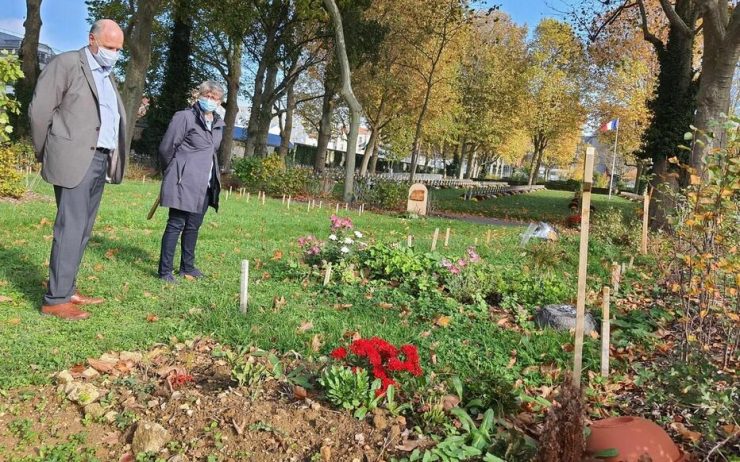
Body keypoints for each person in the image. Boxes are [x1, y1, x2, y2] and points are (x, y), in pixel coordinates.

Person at [29, 19, 127, 321]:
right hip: (73, 157)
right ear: (92, 40)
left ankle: (67, 286)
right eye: (110, 47)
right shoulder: (68, 63)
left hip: (99, 159)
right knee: (70, 227)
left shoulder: (107, 75)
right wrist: (47, 151)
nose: (114, 54)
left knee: (82, 229)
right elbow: (40, 110)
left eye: (119, 49)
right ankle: (55, 300)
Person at [157, 81, 225, 282]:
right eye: (207, 95)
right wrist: (173, 172)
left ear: (220, 101)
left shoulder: (219, 124)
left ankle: (187, 267)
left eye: (215, 97)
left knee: (193, 226)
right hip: (183, 181)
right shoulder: (185, 117)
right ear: (199, 95)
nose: (210, 100)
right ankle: (165, 271)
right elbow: (166, 148)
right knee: (176, 224)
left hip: (206, 184)